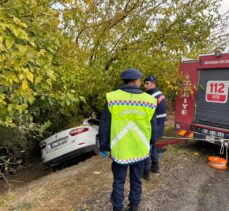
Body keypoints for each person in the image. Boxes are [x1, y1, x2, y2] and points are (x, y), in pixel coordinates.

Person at [98, 68, 157, 211]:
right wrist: (151, 143)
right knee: (136, 180)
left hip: (120, 149)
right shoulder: (150, 100)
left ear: (124, 81)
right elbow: (153, 127)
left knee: (118, 181)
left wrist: (104, 147)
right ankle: (134, 206)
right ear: (137, 81)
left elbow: (105, 125)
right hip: (140, 149)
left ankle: (117, 208)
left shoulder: (113, 98)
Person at [143, 75, 166, 178]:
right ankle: (155, 168)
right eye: (144, 83)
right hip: (158, 127)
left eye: (147, 83)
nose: (145, 86)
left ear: (153, 83)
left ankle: (146, 173)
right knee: (152, 148)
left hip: (151, 127)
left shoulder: (151, 97)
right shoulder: (160, 95)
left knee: (147, 149)